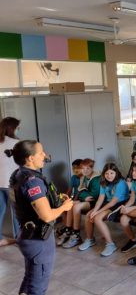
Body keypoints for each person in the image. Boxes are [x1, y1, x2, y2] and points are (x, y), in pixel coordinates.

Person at [7, 140, 73, 294]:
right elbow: (46, 216)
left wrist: (52, 198)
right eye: (41, 152)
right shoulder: (32, 181)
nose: (45, 155)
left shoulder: (19, 173)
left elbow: (27, 201)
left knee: (31, 277)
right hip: (38, 240)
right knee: (38, 286)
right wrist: (64, 207)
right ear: (30, 158)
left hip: (27, 235)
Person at [78, 163, 129, 257]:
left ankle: (110, 244)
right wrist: (94, 211)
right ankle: (90, 239)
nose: (109, 176)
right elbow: (101, 199)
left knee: (97, 218)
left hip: (120, 204)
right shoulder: (103, 182)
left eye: (111, 173)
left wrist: (98, 212)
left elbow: (113, 203)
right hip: (108, 202)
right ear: (104, 174)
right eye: (106, 173)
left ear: (116, 173)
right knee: (89, 214)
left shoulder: (121, 183)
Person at [60, 158, 101, 249]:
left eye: (87, 168)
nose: (85, 170)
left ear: (92, 168)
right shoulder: (85, 177)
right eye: (83, 168)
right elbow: (81, 190)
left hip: (96, 203)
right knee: (71, 204)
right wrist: (84, 196)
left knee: (77, 207)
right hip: (86, 200)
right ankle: (68, 230)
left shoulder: (96, 179)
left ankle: (76, 235)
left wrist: (84, 195)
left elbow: (93, 196)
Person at [0, 117, 20, 246]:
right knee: (18, 212)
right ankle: (20, 238)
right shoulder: (17, 143)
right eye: (18, 127)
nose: (19, 129)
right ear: (12, 128)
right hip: (11, 183)